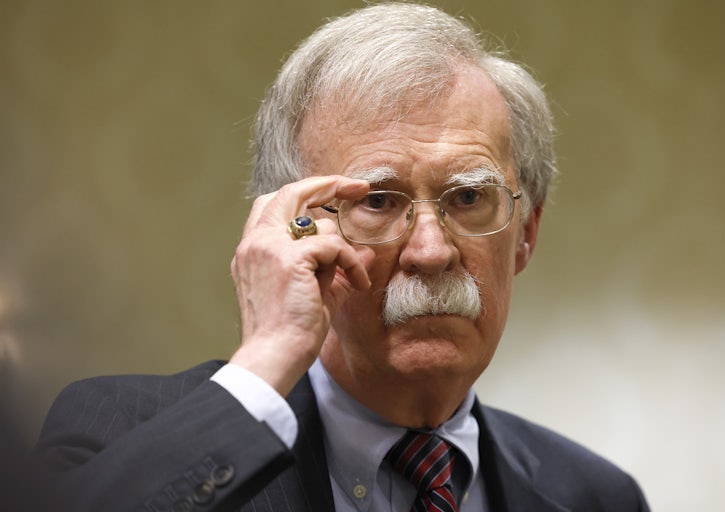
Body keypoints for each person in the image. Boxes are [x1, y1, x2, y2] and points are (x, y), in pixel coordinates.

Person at [34, 3, 650, 511]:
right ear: (292, 234)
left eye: (468, 197)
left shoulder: (597, 496)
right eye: (378, 201)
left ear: (526, 234)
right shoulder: (114, 429)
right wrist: (267, 362)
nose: (431, 252)